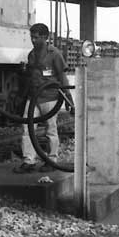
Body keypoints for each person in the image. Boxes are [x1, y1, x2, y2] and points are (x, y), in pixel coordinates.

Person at [14, 23, 72, 173]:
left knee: (50, 130)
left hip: (50, 98)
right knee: (27, 128)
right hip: (33, 99)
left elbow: (62, 77)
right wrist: (22, 96)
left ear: (45, 37)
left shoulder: (55, 54)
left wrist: (68, 99)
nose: (33, 40)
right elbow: (30, 78)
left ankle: (52, 160)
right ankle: (29, 161)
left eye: (37, 37)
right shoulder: (31, 55)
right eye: (32, 37)